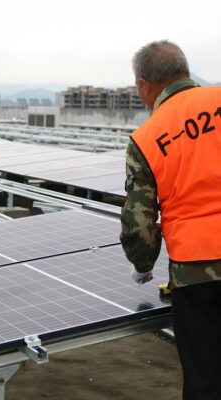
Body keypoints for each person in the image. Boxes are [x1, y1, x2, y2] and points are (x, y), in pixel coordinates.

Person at [120, 40, 221, 399]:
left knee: (206, 378)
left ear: (145, 84)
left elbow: (139, 220)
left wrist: (142, 264)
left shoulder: (146, 137)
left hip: (198, 272)